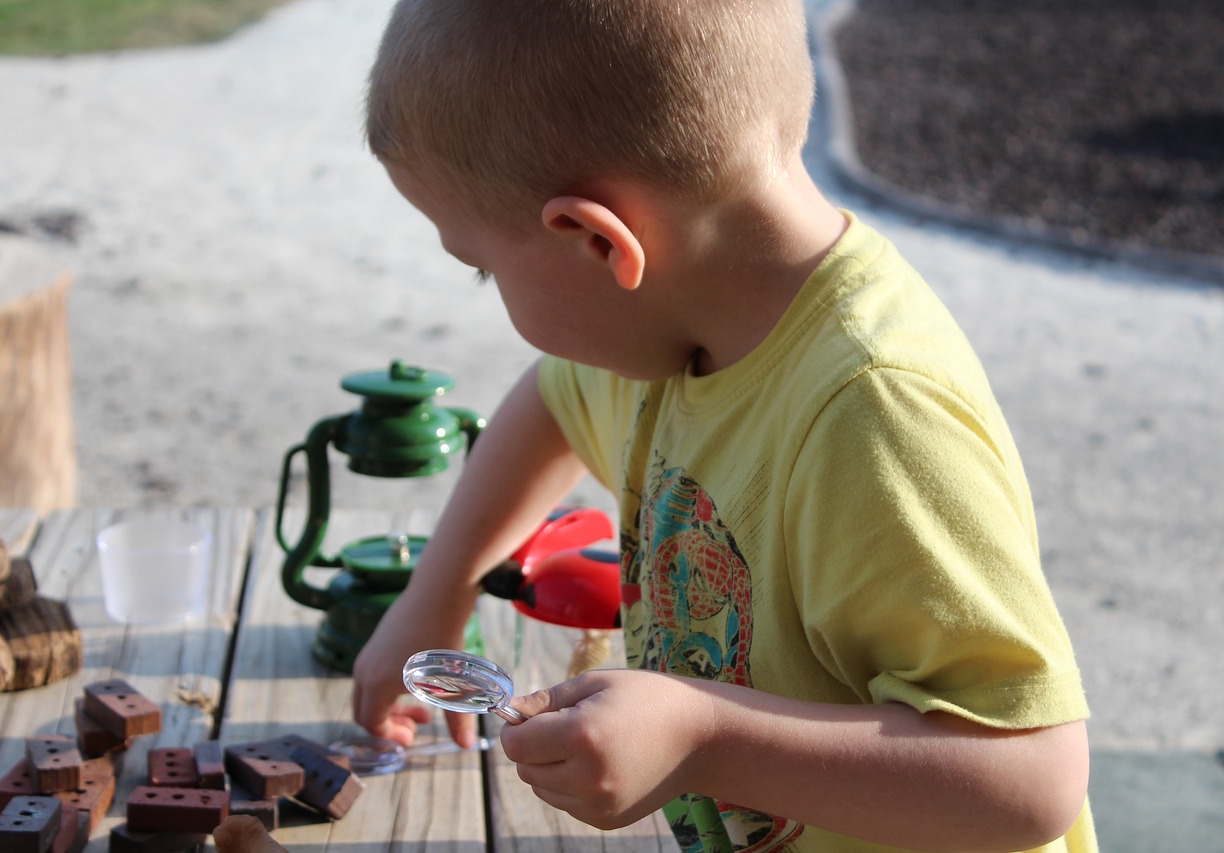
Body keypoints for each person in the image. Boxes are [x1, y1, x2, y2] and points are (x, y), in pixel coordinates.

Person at [350, 1, 1096, 851]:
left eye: (483, 269)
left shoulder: (873, 413)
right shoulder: (675, 328)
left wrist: (706, 736)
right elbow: (551, 401)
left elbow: (1029, 782)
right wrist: (439, 592)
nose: (492, 291)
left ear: (597, 242)